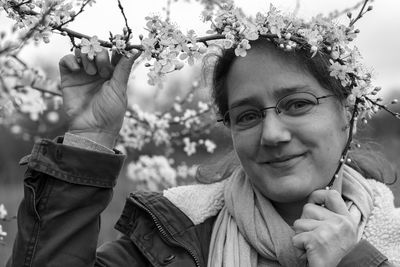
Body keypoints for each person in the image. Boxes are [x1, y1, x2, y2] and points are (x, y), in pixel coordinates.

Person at [6, 10, 400, 267]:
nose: (273, 134)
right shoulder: (174, 238)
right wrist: (89, 139)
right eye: (246, 115)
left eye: (297, 104)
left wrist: (353, 261)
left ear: (347, 112)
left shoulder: (391, 240)